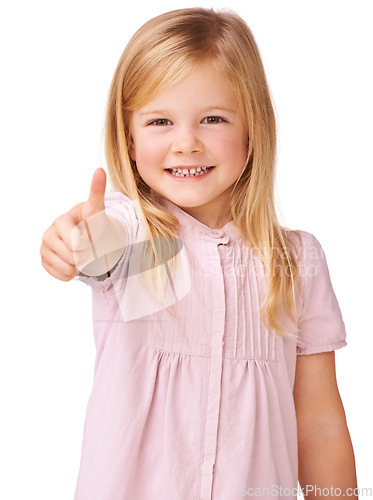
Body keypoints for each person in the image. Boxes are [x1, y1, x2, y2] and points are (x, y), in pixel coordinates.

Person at [40, 7, 358, 500]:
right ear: (129, 138)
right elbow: (97, 248)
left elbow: (319, 422)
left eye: (212, 119)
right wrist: (72, 242)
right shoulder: (138, 236)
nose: (186, 143)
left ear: (253, 128)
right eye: (160, 121)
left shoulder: (295, 261)